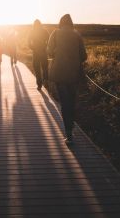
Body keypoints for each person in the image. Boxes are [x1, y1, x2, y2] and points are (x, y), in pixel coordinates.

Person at [47, 14, 87, 145]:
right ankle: (71, 126)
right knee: (71, 101)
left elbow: (49, 52)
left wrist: (58, 54)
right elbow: (84, 56)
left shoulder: (55, 33)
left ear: (61, 22)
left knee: (64, 103)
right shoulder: (77, 35)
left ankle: (69, 134)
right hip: (74, 75)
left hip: (59, 73)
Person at [28, 19, 50, 91]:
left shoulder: (32, 31)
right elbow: (49, 40)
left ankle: (39, 84)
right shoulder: (44, 31)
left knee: (37, 68)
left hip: (36, 52)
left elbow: (28, 42)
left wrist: (33, 48)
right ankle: (46, 81)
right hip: (43, 51)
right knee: (45, 67)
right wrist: (45, 45)